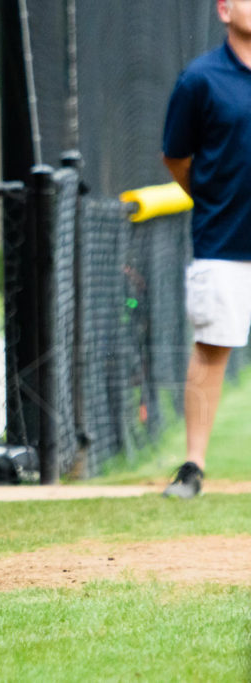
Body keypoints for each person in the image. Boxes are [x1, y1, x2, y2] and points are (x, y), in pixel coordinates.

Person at [161, 0, 251, 498]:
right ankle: (192, 468)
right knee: (213, 347)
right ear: (223, 9)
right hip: (224, 239)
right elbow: (175, 155)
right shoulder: (200, 79)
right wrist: (215, 196)